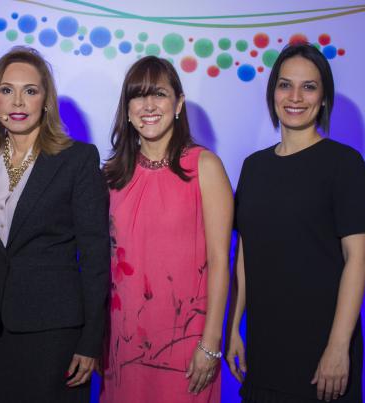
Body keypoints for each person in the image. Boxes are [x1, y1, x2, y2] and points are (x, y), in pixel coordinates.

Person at [226, 43, 365, 402]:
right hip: (265, 349)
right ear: (272, 91)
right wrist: (232, 328)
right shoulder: (254, 166)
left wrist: (338, 347)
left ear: (324, 97)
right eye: (284, 84)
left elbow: (360, 257)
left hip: (322, 354)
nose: (295, 97)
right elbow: (246, 253)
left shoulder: (344, 164)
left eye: (308, 86)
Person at [0, 46, 110, 403]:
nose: (18, 101)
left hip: (55, 332)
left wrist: (91, 340)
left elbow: (95, 257)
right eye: (7, 90)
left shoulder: (77, 159)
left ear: (45, 100)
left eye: (30, 90)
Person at [101, 56, 233, 402]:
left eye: (158, 94)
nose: (148, 105)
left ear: (179, 104)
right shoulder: (111, 177)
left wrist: (211, 343)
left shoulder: (204, 166)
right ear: (127, 110)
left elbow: (221, 261)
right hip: (122, 343)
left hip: (186, 347)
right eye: (138, 96)